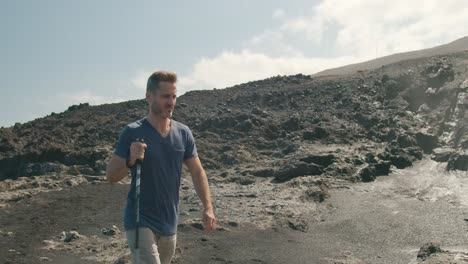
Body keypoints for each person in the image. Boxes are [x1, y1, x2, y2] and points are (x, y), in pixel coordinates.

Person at [106, 71, 216, 264]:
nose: (171, 102)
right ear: (149, 96)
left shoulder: (183, 133)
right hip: (140, 219)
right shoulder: (132, 132)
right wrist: (131, 160)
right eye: (166, 96)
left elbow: (198, 172)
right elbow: (111, 176)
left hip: (169, 223)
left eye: (174, 96)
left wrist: (208, 207)